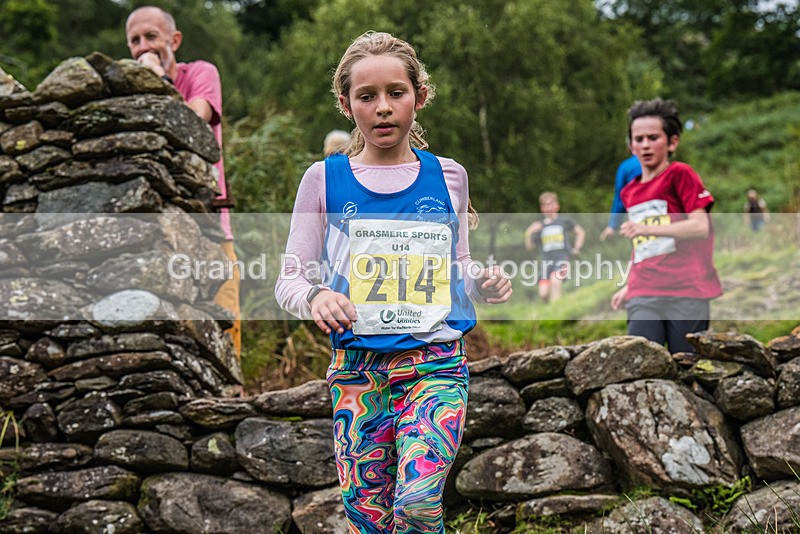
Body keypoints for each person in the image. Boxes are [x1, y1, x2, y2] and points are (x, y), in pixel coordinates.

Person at [275, 31, 511, 533]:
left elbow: (459, 264)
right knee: (372, 520)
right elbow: (290, 278)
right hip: (358, 375)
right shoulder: (324, 179)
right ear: (346, 105)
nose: (383, 108)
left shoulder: (448, 176)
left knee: (420, 502)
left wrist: (480, 281)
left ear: (418, 97)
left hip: (436, 366)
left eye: (395, 93)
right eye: (367, 96)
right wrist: (317, 296)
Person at [126, 6, 241, 356]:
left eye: (151, 37)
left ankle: (233, 394)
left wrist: (157, 80)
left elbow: (194, 122)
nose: (143, 46)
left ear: (174, 40)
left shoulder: (201, 73)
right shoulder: (126, 90)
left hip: (209, 222)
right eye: (134, 40)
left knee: (225, 313)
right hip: (151, 227)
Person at [610, 98, 722, 354]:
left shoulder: (680, 175)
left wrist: (647, 228)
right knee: (641, 362)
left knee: (685, 367)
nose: (645, 145)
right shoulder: (629, 191)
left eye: (653, 137)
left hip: (686, 290)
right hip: (644, 291)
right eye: (639, 139)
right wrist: (629, 284)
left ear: (672, 142)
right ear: (631, 146)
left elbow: (699, 226)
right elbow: (643, 246)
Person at [524, 192, 585, 303]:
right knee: (543, 294)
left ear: (557, 206)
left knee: (556, 282)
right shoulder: (539, 226)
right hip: (546, 262)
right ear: (542, 208)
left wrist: (577, 248)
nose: (548, 207)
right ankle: (553, 309)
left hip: (562, 258)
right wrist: (528, 232)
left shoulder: (564, 221)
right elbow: (530, 248)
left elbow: (580, 232)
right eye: (545, 205)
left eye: (551, 204)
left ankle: (557, 313)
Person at [599, 149, 641, 241]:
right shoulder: (666, 165)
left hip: (637, 219)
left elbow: (620, 198)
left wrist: (612, 225)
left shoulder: (626, 167)